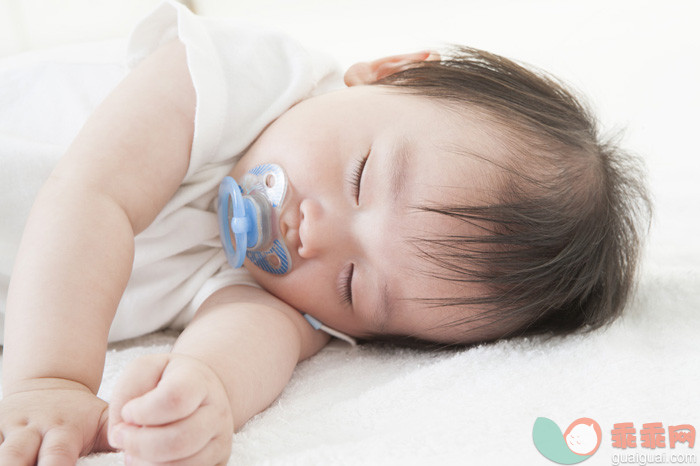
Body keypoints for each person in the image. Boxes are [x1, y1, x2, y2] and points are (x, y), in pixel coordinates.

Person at [0, 1, 650, 465]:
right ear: (387, 72)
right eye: (362, 177)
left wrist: (203, 395)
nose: (315, 235)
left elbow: (252, 344)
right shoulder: (239, 76)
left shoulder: (280, 298)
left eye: (353, 283)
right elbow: (94, 195)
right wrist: (52, 379)